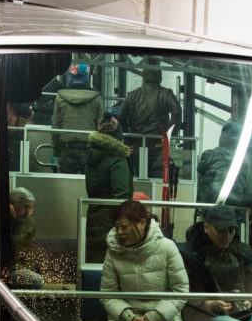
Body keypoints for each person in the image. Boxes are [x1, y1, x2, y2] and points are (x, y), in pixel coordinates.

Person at [101, 200, 189, 321]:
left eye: (124, 227)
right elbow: (108, 294)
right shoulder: (113, 252)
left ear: (142, 223)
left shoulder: (167, 247)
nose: (120, 233)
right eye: (116, 228)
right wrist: (131, 318)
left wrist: (152, 319)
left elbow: (180, 290)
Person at [119, 61, 181, 177]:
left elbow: (121, 118)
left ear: (143, 77)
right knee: (157, 180)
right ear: (159, 77)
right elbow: (176, 112)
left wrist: (128, 140)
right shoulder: (166, 94)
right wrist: (168, 136)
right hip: (158, 144)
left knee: (137, 179)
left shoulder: (132, 95)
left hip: (137, 144)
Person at [85, 114, 132, 262]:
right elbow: (121, 197)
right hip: (111, 222)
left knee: (94, 263)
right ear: (118, 137)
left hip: (93, 215)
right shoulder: (117, 159)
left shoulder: (92, 155)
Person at [52, 63, 104, 174]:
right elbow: (102, 127)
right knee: (90, 186)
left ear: (71, 77)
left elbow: (56, 125)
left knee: (66, 185)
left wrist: (56, 149)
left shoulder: (60, 97)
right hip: (89, 148)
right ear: (86, 77)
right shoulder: (96, 98)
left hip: (67, 148)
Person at [197, 120, 252, 210]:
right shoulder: (220, 157)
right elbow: (220, 193)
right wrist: (250, 200)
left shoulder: (212, 155)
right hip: (221, 207)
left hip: (214, 206)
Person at [8, 186, 43, 289]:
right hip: (10, 268)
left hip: (24, 265)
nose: (28, 211)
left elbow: (29, 248)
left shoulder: (29, 222)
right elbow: (13, 247)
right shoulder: (4, 220)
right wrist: (13, 219)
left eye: (30, 208)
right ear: (13, 206)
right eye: (25, 207)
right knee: (37, 281)